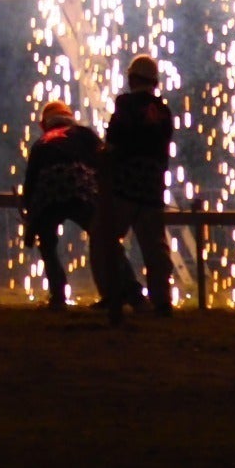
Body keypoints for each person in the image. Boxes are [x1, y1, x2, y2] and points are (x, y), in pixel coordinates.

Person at [95, 55, 177, 323]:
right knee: (155, 248)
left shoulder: (125, 105)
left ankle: (119, 294)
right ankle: (162, 301)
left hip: (125, 186)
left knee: (104, 239)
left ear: (132, 79)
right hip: (153, 188)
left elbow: (114, 142)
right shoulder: (163, 111)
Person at [21, 98, 106, 310]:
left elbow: (31, 180)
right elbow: (103, 161)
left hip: (48, 193)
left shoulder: (41, 143)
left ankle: (58, 296)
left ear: (44, 124)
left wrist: (29, 211)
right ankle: (127, 292)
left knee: (47, 245)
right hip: (79, 188)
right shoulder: (83, 134)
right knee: (104, 238)